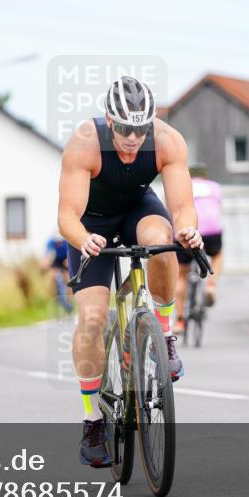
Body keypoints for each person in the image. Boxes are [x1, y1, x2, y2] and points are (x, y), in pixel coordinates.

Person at [57, 76, 203, 467]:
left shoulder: (168, 141)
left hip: (138, 209)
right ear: (109, 120)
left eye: (141, 128)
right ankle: (91, 419)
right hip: (92, 225)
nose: (133, 137)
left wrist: (188, 227)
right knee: (91, 319)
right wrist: (84, 238)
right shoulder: (85, 143)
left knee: (163, 237)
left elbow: (183, 205)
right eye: (124, 128)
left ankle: (165, 335)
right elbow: (66, 217)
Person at [174, 164, 224, 333]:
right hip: (211, 230)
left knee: (181, 274)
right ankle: (211, 284)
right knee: (217, 254)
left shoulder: (181, 187)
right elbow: (218, 209)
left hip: (187, 231)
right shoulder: (214, 187)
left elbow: (171, 210)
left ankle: (180, 321)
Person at [41, 233, 73, 314]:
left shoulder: (66, 243)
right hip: (55, 262)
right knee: (53, 277)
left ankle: (69, 298)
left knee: (68, 279)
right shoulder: (50, 243)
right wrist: (45, 263)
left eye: (60, 242)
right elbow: (48, 256)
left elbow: (69, 256)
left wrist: (68, 263)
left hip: (64, 260)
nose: (58, 244)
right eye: (57, 243)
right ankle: (55, 295)